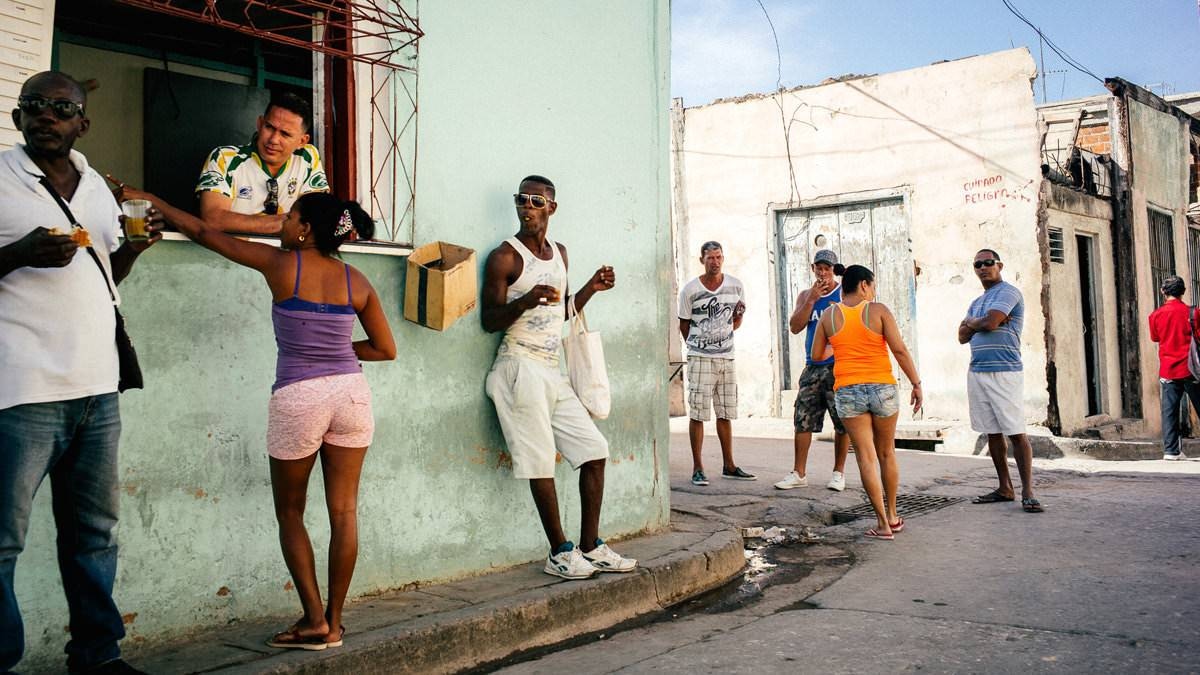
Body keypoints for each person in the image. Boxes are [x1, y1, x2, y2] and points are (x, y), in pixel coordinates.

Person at [113, 185, 396, 649]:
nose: (281, 225)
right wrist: (335, 352)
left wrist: (148, 198)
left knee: (291, 511)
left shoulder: (282, 264)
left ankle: (312, 623)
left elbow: (203, 230)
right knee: (344, 513)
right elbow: (385, 349)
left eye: (289, 219)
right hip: (352, 394)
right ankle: (336, 622)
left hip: (299, 397)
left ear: (305, 231)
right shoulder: (357, 281)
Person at [0, 71, 163, 675]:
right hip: (20, 391)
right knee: (2, 542)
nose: (48, 115)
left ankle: (97, 658)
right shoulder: (0, 177)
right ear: (19, 118)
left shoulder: (96, 187)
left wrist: (134, 250)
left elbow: (102, 275)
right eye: (34, 107)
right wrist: (18, 255)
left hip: (97, 390)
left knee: (95, 535)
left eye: (61, 107)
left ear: (81, 122)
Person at [481, 175, 636, 580]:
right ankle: (559, 551)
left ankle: (590, 545)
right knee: (539, 462)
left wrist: (591, 288)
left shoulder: (560, 254)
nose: (527, 207)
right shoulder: (505, 257)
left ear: (552, 207)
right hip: (518, 367)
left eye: (536, 201)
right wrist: (526, 300)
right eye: (522, 200)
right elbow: (489, 320)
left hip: (552, 369)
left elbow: (561, 311)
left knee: (594, 450)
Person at [811, 265, 922, 540]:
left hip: (848, 390)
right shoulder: (878, 310)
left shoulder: (829, 314)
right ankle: (894, 515)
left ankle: (882, 524)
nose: (873, 292)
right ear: (863, 285)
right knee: (887, 452)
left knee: (866, 457)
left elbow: (816, 354)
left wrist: (841, 346)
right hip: (882, 387)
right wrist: (916, 383)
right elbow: (899, 349)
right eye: (871, 286)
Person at [958, 249, 1043, 513]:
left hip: (1004, 371)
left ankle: (1028, 491)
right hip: (978, 371)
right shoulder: (977, 302)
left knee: (1016, 432)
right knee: (992, 432)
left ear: (999, 265)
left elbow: (992, 323)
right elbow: (961, 336)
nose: (983, 268)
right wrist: (976, 322)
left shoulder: (1008, 292)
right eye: (978, 264)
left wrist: (977, 323)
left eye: (988, 263)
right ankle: (1005, 487)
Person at [195, 92, 329, 234]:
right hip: (231, 255)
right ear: (259, 124)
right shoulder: (224, 157)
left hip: (285, 255)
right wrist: (290, 223)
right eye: (269, 127)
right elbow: (213, 219)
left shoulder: (307, 157)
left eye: (285, 134)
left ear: (302, 141)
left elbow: (317, 218)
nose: (273, 139)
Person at [678, 241, 755, 486]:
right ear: (702, 260)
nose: (715, 262)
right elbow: (684, 324)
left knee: (725, 412)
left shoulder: (735, 286)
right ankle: (698, 467)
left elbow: (737, 320)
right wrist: (698, 344)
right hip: (700, 357)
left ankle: (729, 465)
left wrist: (730, 326)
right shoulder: (690, 290)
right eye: (710, 258)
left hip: (727, 356)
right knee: (698, 413)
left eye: (719, 257)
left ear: (723, 258)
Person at [775, 249, 852, 491]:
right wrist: (811, 299)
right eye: (819, 268)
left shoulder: (843, 294)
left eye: (827, 269)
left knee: (842, 421)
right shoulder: (806, 296)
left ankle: (838, 473)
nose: (823, 273)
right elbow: (795, 327)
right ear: (812, 268)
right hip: (812, 365)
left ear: (833, 270)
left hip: (837, 365)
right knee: (802, 418)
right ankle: (799, 473)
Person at [1148, 275, 1200, 461]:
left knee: (1169, 410)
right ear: (1183, 292)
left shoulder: (1155, 315)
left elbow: (1155, 338)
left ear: (1163, 292)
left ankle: (1171, 451)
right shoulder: (1193, 313)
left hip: (1168, 369)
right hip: (1191, 368)